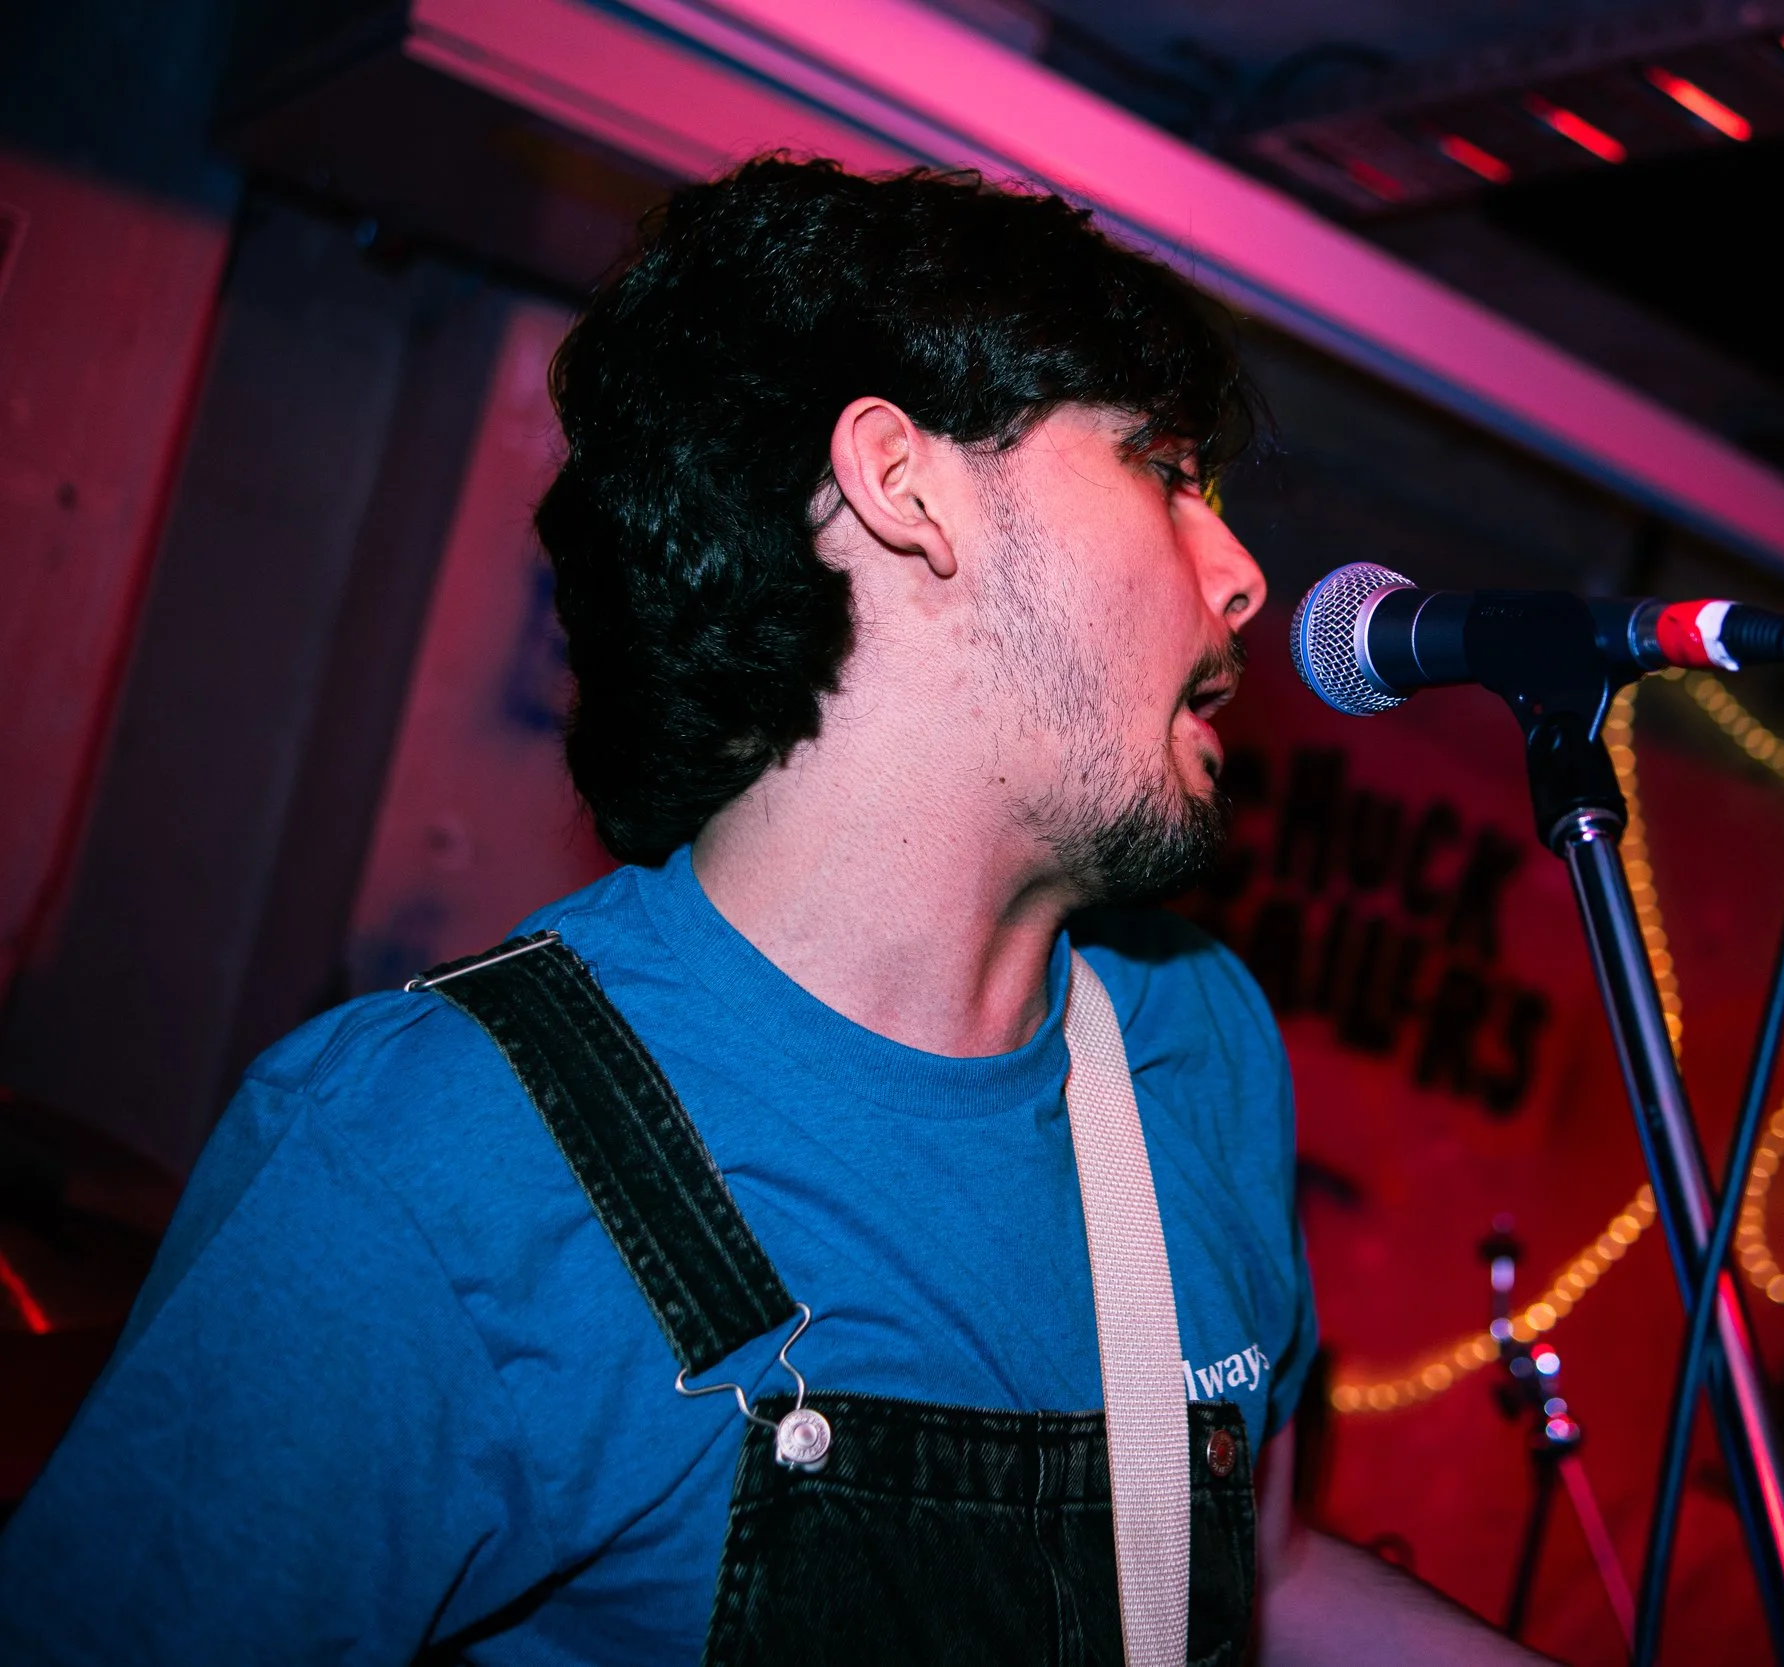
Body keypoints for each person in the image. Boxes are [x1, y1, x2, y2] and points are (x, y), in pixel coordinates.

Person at [0, 158, 1545, 1664]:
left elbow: (1250, 1575)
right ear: (899, 483)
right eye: (1164, 466)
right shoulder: (419, 1165)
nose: (1241, 573)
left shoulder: (1195, 1043)